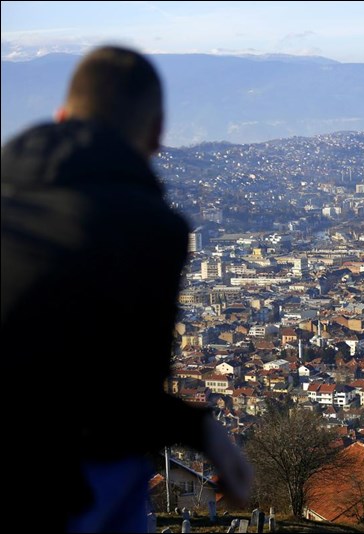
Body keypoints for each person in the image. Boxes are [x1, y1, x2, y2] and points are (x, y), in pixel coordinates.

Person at [1, 46, 252, 532]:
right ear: (157, 134)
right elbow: (124, 405)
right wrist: (203, 431)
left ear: (60, 117)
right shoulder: (149, 229)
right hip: (57, 491)